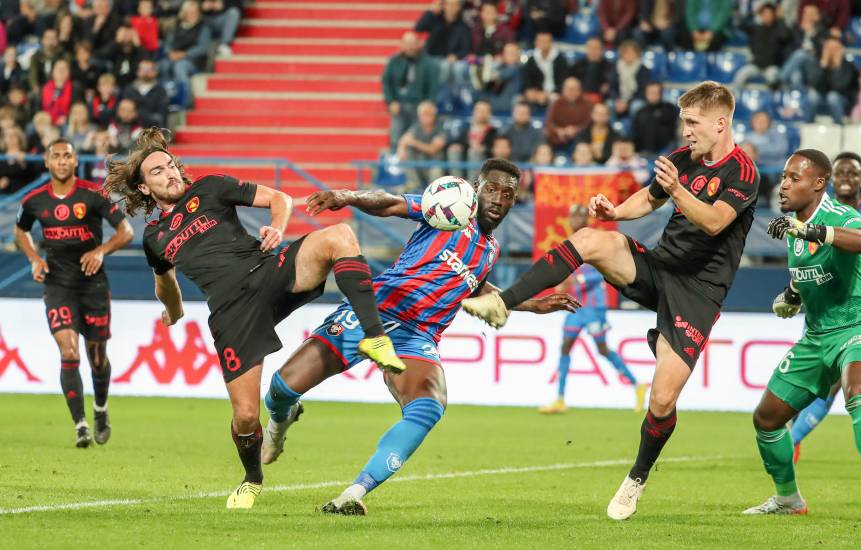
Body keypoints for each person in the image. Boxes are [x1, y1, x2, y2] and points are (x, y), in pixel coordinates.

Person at [461, 81, 760, 520]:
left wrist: (677, 190)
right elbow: (649, 197)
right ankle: (502, 302)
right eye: (683, 122)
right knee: (590, 239)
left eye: (693, 123)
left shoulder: (744, 172)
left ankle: (636, 478)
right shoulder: (683, 161)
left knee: (661, 401)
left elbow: (715, 222)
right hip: (660, 268)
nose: (686, 132)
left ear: (721, 123)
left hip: (698, 294)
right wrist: (616, 212)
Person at [101, 128, 406, 509]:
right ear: (145, 188)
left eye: (171, 165)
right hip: (232, 312)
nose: (170, 173)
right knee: (246, 416)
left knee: (339, 235)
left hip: (265, 270)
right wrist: (174, 313)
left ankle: (375, 337)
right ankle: (252, 478)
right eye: (158, 172)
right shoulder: (155, 238)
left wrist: (277, 228)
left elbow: (278, 198)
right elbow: (165, 282)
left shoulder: (210, 188)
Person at [262, 159, 578, 515]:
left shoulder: (490, 251)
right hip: (376, 312)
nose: (499, 199)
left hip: (418, 336)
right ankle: (280, 420)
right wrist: (347, 196)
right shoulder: (447, 210)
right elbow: (390, 202)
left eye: (508, 194)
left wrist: (531, 304)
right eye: (492, 189)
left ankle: (353, 493)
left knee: (429, 407)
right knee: (281, 389)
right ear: (476, 188)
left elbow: (471, 286)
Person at [744, 149, 861, 515]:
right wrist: (790, 296)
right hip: (816, 337)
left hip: (859, 325)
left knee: (859, 389)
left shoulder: (838, 215)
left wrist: (811, 229)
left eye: (793, 178)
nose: (783, 185)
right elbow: (808, 273)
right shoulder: (792, 230)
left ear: (818, 184)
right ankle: (788, 500)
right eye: (783, 176)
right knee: (766, 419)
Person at [13, 138, 134, 447]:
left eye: (67, 155)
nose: (62, 161)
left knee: (97, 358)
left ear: (75, 160)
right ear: (47, 162)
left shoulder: (93, 194)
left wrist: (102, 250)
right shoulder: (34, 200)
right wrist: (34, 259)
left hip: (93, 285)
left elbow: (126, 231)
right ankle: (80, 425)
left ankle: (100, 409)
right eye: (56, 156)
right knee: (68, 352)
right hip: (57, 285)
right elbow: (20, 230)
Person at [789, 150, 861, 461]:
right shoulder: (812, 216)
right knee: (828, 385)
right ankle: (791, 442)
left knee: (845, 385)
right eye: (841, 173)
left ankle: (791, 440)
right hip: (825, 311)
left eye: (853, 173)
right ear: (830, 179)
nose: (846, 178)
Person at [540, 205, 647, 414]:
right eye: (572, 216)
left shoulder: (594, 241)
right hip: (576, 306)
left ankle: (638, 385)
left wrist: (573, 280)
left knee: (602, 349)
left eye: (578, 216)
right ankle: (560, 399)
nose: (574, 220)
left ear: (586, 220)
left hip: (594, 307)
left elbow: (600, 273)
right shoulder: (569, 244)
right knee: (565, 347)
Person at [381, 31, 440, 150]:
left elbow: (434, 85)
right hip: (400, 105)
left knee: (416, 138)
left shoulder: (429, 63)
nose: (410, 47)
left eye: (412, 43)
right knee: (395, 136)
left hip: (419, 106)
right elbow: (386, 82)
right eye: (407, 43)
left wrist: (429, 104)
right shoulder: (394, 61)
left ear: (419, 44)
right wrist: (390, 101)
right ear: (401, 45)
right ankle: (395, 164)